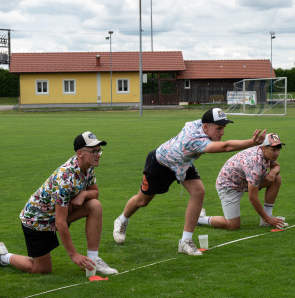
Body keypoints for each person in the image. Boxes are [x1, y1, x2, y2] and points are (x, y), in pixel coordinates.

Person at [113, 108, 267, 256]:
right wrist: (251, 142)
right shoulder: (194, 140)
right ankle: (121, 220)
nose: (222, 132)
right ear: (205, 126)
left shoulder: (199, 124)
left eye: (224, 128)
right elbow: (225, 147)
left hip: (182, 164)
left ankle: (185, 241)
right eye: (219, 128)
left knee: (198, 191)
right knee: (142, 201)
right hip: (160, 165)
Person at [0, 131, 118, 276]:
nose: (98, 154)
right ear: (80, 153)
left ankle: (93, 261)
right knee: (42, 270)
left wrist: (83, 194)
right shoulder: (65, 178)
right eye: (93, 151)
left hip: (57, 215)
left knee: (95, 205)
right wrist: (74, 255)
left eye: (98, 150)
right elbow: (60, 222)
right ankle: (2, 256)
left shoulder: (88, 167)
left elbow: (95, 193)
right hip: (37, 221)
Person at [198, 133, 288, 230]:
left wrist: (273, 172)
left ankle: (265, 219)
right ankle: (200, 219)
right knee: (233, 225)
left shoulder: (266, 154)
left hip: (244, 180)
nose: (277, 153)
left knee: (276, 178)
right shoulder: (254, 163)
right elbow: (253, 198)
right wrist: (269, 219)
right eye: (273, 150)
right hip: (229, 186)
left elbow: (276, 166)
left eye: (278, 149)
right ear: (263, 148)